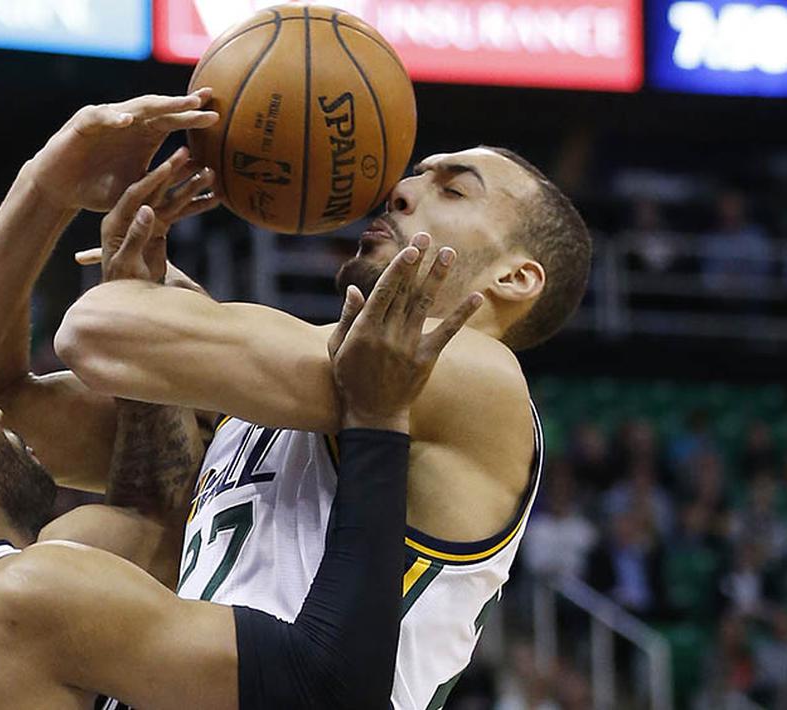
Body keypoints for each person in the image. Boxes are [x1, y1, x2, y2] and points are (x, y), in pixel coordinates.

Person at [0, 167, 482, 708]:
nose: (0, 414)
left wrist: (141, 328)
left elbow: (149, 518)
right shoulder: (23, 597)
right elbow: (330, 690)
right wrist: (376, 419)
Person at [56, 145, 591, 708]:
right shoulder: (268, 401)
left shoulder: (478, 372)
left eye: (453, 190)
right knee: (78, 545)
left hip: (297, 691)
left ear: (515, 276)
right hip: (201, 681)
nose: (400, 191)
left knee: (44, 582)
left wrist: (141, 297)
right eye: (416, 177)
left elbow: (94, 332)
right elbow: (7, 403)